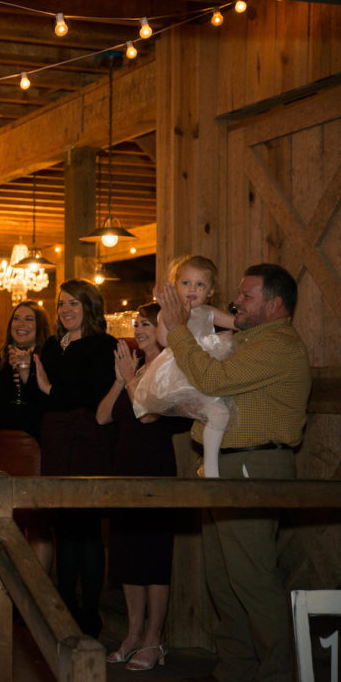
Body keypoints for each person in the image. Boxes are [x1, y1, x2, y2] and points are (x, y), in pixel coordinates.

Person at [156, 263, 310, 682]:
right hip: (228, 464)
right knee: (224, 580)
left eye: (247, 296)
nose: (236, 301)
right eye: (238, 294)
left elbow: (211, 378)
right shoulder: (247, 340)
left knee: (252, 578)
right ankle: (236, 670)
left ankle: (278, 673)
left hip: (254, 463)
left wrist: (177, 330)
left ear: (275, 305)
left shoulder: (277, 344)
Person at [97, 304, 189, 672]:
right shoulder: (131, 367)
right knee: (127, 557)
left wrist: (131, 379)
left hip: (155, 470)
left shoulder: (170, 366)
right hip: (124, 470)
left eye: (146, 324)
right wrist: (121, 378)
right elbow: (103, 417)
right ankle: (133, 635)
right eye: (136, 325)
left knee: (153, 559)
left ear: (162, 328)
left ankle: (154, 639)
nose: (138, 330)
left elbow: (148, 414)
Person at [34, 279, 116, 637]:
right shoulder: (55, 344)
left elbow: (91, 393)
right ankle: (65, 607)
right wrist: (50, 392)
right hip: (56, 439)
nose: (66, 310)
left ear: (89, 307)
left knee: (87, 529)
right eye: (62, 304)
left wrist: (52, 390)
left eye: (74, 304)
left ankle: (90, 612)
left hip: (86, 439)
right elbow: (46, 397)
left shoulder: (103, 345)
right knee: (63, 527)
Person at [133, 255, 237, 478]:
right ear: (175, 286)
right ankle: (209, 466)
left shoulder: (209, 312)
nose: (192, 289)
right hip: (178, 370)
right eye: (186, 283)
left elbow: (237, 324)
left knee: (219, 413)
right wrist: (170, 317)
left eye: (200, 284)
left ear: (210, 291)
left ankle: (210, 466)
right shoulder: (169, 312)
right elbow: (163, 339)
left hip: (204, 368)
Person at [0, 300, 52, 571]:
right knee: (4, 525)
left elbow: (46, 406)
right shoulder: (1, 362)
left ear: (39, 326)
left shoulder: (46, 359)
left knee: (37, 525)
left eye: (29, 319)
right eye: (17, 319)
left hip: (34, 452)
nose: (21, 324)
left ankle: (38, 596)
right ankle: (10, 594)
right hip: (2, 453)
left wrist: (26, 372)